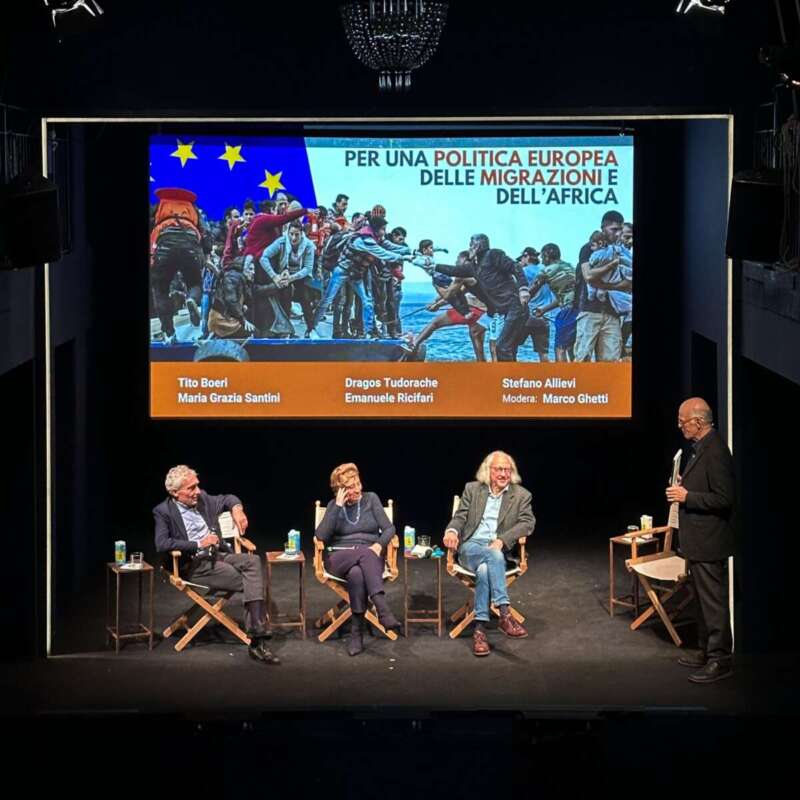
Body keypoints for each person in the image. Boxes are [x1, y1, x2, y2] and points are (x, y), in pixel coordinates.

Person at [153, 465, 279, 665]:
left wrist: (237, 510)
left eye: (197, 485)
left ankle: (257, 634)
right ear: (175, 493)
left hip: (216, 555)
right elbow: (162, 543)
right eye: (191, 488)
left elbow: (228, 498)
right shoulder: (163, 511)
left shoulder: (202, 499)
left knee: (253, 561)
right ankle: (258, 640)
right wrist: (198, 543)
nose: (197, 491)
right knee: (251, 581)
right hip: (193, 565)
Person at [666, 398, 736, 684]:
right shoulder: (699, 448)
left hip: (710, 542)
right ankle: (706, 650)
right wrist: (687, 485)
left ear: (698, 422)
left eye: (683, 421)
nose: (680, 426)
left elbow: (724, 498)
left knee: (713, 603)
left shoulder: (716, 451)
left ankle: (720, 659)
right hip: (697, 541)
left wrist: (687, 496)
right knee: (701, 601)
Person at [443, 451, 535, 656]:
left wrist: (502, 540)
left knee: (485, 569)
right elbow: (460, 516)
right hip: (471, 548)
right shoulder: (473, 489)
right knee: (493, 556)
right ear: (488, 471)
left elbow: (528, 522)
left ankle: (479, 631)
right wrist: (452, 531)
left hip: (498, 550)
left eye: (507, 470)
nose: (503, 474)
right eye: (499, 469)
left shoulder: (522, 495)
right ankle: (504, 613)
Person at [314, 463, 401, 656]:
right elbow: (321, 536)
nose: (357, 490)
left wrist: (379, 545)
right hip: (339, 557)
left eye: (358, 484)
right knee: (365, 555)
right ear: (340, 490)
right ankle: (382, 607)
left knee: (357, 574)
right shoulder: (333, 506)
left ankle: (356, 634)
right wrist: (337, 506)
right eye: (351, 487)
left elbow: (389, 528)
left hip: (370, 558)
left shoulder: (371, 499)